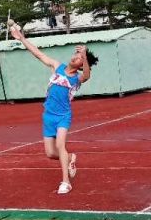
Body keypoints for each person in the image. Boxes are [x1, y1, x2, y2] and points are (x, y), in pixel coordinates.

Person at [8, 21, 96, 195]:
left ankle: (65, 182)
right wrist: (22, 38)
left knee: (60, 145)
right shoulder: (58, 66)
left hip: (63, 116)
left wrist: (85, 56)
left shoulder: (77, 78)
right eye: (76, 55)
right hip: (48, 116)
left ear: (81, 63)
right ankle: (70, 158)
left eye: (79, 58)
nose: (75, 57)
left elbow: (87, 74)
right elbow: (39, 54)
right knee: (50, 153)